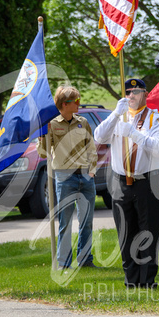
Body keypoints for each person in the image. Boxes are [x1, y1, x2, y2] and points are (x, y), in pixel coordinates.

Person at [94, 78, 159, 288]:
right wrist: (115, 114)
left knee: (149, 231)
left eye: (136, 91)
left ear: (145, 93)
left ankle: (147, 281)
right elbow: (98, 136)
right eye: (128, 92)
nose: (132, 96)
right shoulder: (119, 117)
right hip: (121, 182)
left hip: (147, 180)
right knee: (125, 232)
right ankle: (131, 281)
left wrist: (134, 134)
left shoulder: (157, 120)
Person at [37, 86, 98, 269]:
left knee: (86, 221)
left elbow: (91, 148)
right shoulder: (52, 125)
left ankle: (85, 260)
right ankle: (64, 263)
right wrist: (43, 136)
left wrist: (92, 171)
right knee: (65, 221)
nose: (79, 104)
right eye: (76, 101)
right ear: (64, 104)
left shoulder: (83, 122)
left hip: (86, 176)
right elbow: (43, 154)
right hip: (64, 177)